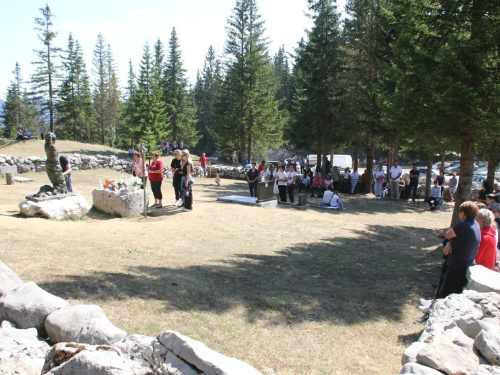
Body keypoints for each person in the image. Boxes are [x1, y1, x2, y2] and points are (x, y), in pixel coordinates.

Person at [438, 201, 480, 299]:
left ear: (463, 213)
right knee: (456, 290)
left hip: (457, 265)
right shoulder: (476, 224)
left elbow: (448, 235)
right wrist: (450, 243)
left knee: (445, 292)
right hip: (468, 264)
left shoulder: (462, 225)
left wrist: (449, 241)